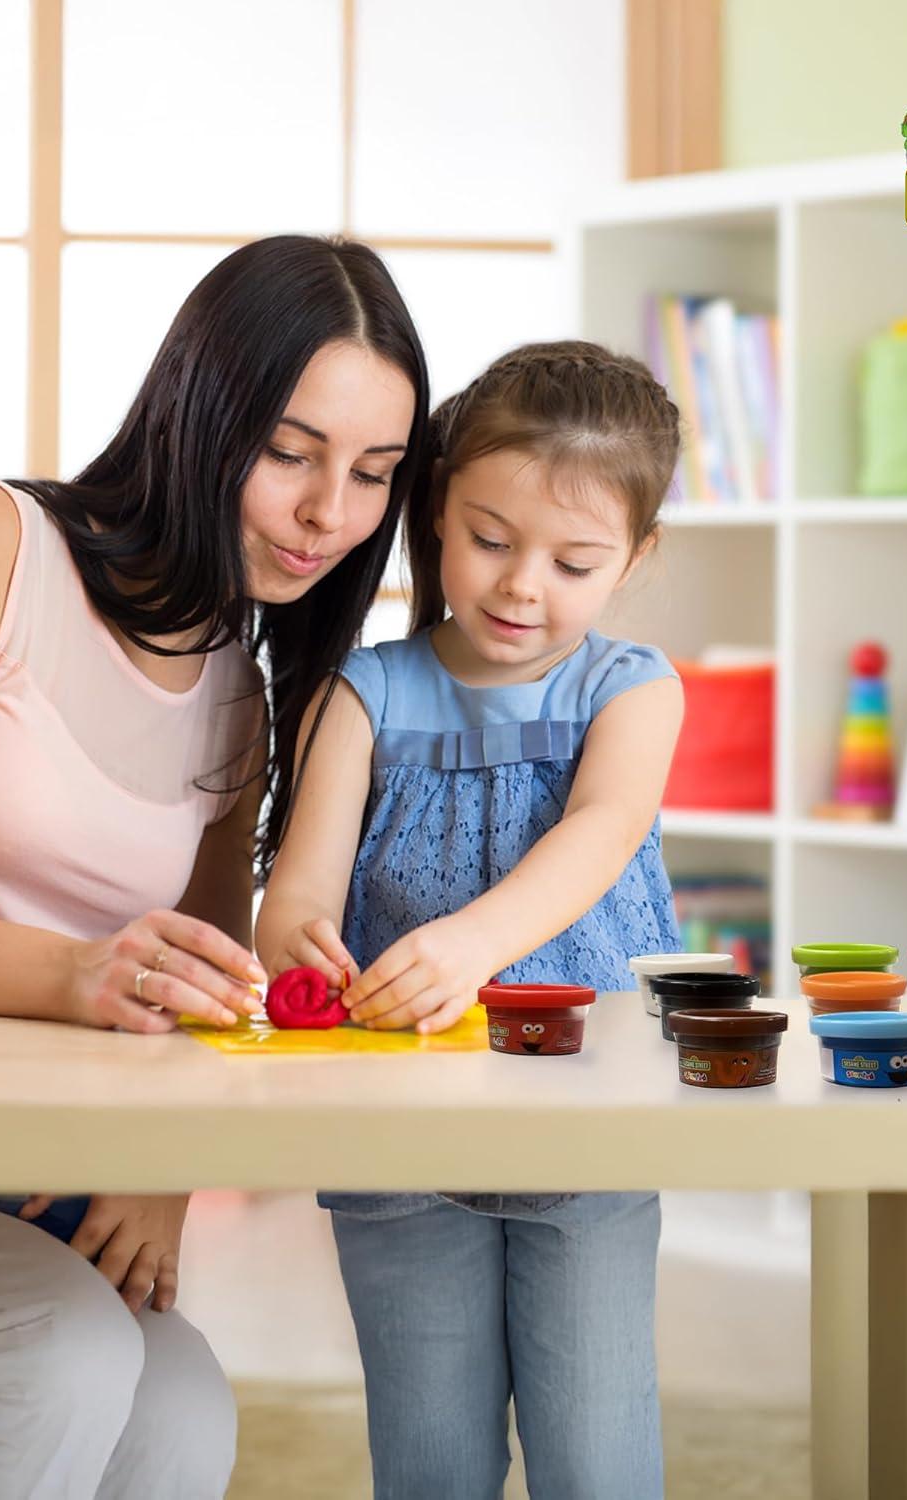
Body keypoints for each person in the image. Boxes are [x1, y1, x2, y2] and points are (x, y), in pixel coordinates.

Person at [0, 234, 428, 1498]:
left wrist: (161, 1170)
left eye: (372, 475)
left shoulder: (242, 682)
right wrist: (73, 975)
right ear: (197, 409)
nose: (327, 515)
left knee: (181, 1404)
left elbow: (205, 984)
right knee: (52, 1349)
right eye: (291, 452)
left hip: (13, 1166)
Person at [257, 340, 685, 1499]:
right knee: (429, 1460)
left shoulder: (632, 688)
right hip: (399, 1123)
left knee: (597, 1456)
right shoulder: (365, 691)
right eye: (491, 540)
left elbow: (596, 836)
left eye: (574, 560)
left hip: (588, 1123)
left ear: (634, 560)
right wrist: (293, 937)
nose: (520, 585)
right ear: (437, 510)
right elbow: (298, 889)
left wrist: (476, 942)